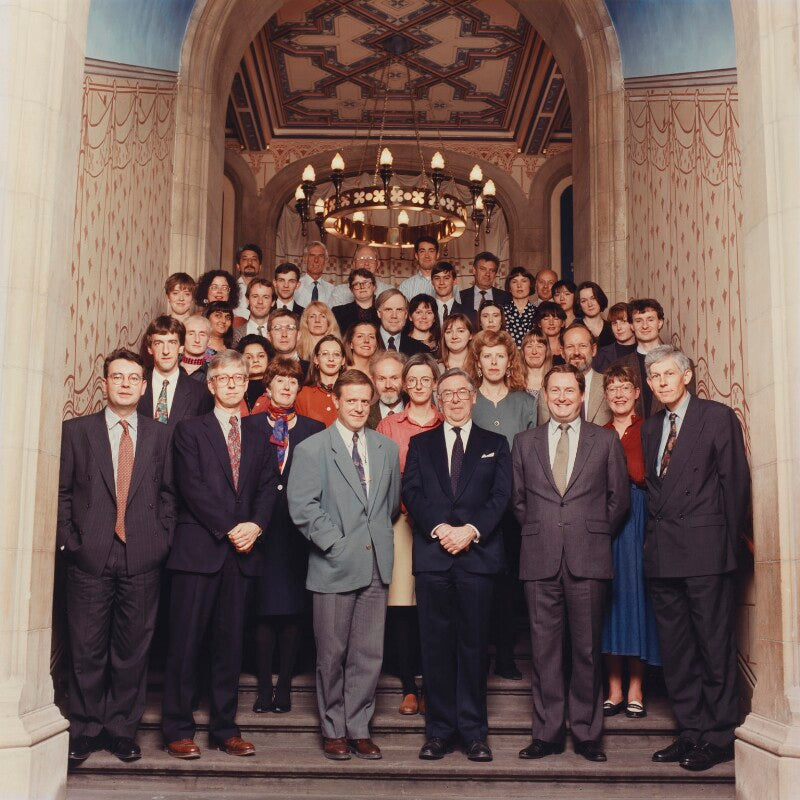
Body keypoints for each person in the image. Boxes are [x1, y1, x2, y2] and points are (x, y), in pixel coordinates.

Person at [161, 350, 280, 760]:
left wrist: (257, 526)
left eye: (238, 378)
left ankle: (225, 729)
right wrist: (232, 526)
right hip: (198, 552)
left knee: (230, 647)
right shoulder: (189, 431)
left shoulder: (261, 433)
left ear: (247, 384)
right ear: (210, 385)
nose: (231, 384)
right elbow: (191, 488)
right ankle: (178, 728)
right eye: (223, 378)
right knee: (185, 643)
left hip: (242, 555)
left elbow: (269, 488)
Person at [59, 349, 175, 765]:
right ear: (104, 383)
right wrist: (73, 543)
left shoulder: (161, 435)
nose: (125, 383)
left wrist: (160, 540)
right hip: (89, 557)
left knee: (132, 650)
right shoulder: (76, 431)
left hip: (142, 557)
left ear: (144, 387)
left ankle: (121, 729)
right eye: (117, 376)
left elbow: (168, 494)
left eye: (133, 378)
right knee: (86, 649)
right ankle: (86, 728)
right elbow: (62, 494)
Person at [511, 364, 629, 763]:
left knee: (586, 650)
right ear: (544, 395)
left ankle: (587, 735)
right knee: (543, 653)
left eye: (569, 390)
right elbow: (518, 501)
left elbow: (619, 501)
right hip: (539, 558)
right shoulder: (525, 443)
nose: (561, 397)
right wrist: (546, 531)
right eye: (554, 390)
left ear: (582, 396)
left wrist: (589, 535)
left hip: (588, 559)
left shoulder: (606, 441)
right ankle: (546, 734)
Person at [642, 345, 749, 772]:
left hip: (707, 552)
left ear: (686, 376)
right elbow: (653, 493)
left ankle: (720, 735)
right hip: (664, 555)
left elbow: (735, 485)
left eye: (669, 374)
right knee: (677, 650)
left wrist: (729, 548)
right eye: (654, 377)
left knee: (713, 646)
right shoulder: (651, 429)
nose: (662, 382)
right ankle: (690, 731)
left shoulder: (716, 416)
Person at [288, 370, 401, 761]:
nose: (357, 407)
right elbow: (302, 507)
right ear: (336, 401)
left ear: (371, 403)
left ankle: (358, 727)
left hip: (375, 566)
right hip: (333, 564)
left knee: (369, 654)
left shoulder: (386, 448)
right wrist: (335, 544)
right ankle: (333, 729)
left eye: (363, 401)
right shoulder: (312, 448)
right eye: (350, 400)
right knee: (332, 654)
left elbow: (387, 508)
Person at [403, 368, 512, 763]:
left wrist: (470, 530)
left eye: (461, 392)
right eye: (446, 393)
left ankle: (473, 733)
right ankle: (438, 732)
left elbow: (502, 496)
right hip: (433, 559)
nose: (454, 399)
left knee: (474, 646)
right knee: (434, 648)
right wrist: (440, 529)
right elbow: (411, 491)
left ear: (473, 397)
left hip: (477, 558)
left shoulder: (495, 444)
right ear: (437, 398)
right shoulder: (420, 443)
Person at [250, 358, 325, 714]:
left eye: (292, 383)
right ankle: (264, 685)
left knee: (293, 611)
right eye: (279, 381)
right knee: (264, 610)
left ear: (299, 390)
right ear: (268, 387)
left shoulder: (314, 428)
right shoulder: (250, 427)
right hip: (260, 529)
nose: (285, 387)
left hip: (298, 531)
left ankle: (284, 688)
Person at [376, 353, 443, 715]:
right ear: (403, 385)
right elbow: (384, 477)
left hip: (439, 525)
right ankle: (407, 686)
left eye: (424, 379)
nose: (418, 386)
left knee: (434, 604)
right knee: (401, 605)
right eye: (411, 380)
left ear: (435, 384)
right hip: (400, 521)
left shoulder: (447, 422)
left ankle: (433, 683)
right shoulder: (389, 425)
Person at [470, 330, 537, 680]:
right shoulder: (467, 399)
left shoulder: (525, 402)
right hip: (474, 508)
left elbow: (533, 455)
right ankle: (478, 653)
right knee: (478, 583)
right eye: (487, 356)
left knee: (509, 583)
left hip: (515, 506)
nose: (493, 362)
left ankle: (507, 655)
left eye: (499, 356)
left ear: (509, 361)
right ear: (477, 362)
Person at [600, 364, 661, 720]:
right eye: (612, 388)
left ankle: (637, 687)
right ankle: (613, 688)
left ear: (638, 393)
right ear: (605, 397)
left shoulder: (651, 430)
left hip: (640, 518)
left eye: (625, 386)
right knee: (609, 602)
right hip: (605, 523)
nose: (619, 393)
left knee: (638, 602)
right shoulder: (597, 433)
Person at [612, 299, 696, 418]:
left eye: (650, 320)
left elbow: (690, 408)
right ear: (631, 326)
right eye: (638, 321)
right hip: (633, 433)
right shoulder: (619, 365)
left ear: (660, 323)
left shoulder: (682, 362)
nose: (645, 326)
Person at [138, 316, 213, 427]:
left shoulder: (201, 392)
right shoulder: (136, 387)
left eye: (172, 342)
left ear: (181, 347)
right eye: (158, 343)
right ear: (149, 348)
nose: (166, 351)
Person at [536, 323, 611, 426]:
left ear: (593, 350)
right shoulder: (547, 391)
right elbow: (544, 436)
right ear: (562, 352)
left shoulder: (609, 385)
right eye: (570, 347)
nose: (576, 352)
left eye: (582, 346)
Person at [292, 334, 346, 427]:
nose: (331, 359)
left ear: (343, 361)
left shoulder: (352, 392)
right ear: (316, 359)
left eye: (336, 354)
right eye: (325, 354)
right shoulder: (303, 394)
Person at [329, 245, 393, 307]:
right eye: (362, 259)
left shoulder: (389, 291)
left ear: (378, 264)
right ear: (354, 264)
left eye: (371, 259)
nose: (366, 263)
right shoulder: (339, 292)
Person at [460, 251, 511, 329]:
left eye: (492, 270)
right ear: (474, 270)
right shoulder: (460, 297)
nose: (487, 274)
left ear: (495, 273)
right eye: (483, 269)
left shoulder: (506, 297)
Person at [375, 288, 430, 356]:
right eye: (388, 309)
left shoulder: (421, 350)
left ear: (406, 314)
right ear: (379, 313)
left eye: (399, 310)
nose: (394, 316)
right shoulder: (366, 344)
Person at [332, 267, 380, 333]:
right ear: (351, 289)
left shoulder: (384, 312)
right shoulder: (338, 313)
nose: (362, 287)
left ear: (374, 287)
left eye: (366, 283)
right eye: (356, 284)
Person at [366, 349, 406, 429]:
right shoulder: (364, 415)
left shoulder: (417, 413)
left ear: (404, 380)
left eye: (394, 378)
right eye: (381, 379)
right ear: (373, 381)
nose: (388, 385)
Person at [593, 301, 636, 373]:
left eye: (623, 322)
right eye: (614, 323)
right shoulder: (600, 354)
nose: (618, 327)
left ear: (633, 324)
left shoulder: (643, 351)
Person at [236, 333, 274, 412]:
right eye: (249, 357)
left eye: (261, 356)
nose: (255, 360)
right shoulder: (234, 388)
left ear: (269, 359)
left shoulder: (277, 387)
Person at [266, 308, 309, 375]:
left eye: (290, 328)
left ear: (298, 335)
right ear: (269, 336)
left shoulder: (311, 370)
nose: (284, 334)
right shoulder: (263, 369)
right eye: (277, 328)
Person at [232, 278, 274, 346]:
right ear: (247, 300)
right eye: (255, 296)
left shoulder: (280, 333)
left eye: (265, 297)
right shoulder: (235, 335)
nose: (260, 301)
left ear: (273, 302)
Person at [502, 266, 537, 347]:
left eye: (524, 281)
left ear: (530, 285)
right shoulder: (501, 312)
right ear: (509, 287)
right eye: (514, 282)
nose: (519, 285)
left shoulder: (538, 312)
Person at [294, 240, 334, 307]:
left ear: (326, 260)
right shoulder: (295, 287)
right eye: (312, 256)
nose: (316, 260)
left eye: (320, 256)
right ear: (305, 259)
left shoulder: (331, 291)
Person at [575, 281, 614, 347]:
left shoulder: (612, 327)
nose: (590, 304)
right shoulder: (575, 329)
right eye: (584, 301)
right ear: (579, 305)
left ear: (600, 299)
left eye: (593, 298)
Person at [520, 328, 552, 401]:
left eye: (539, 346)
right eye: (529, 346)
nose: (534, 352)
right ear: (523, 351)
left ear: (546, 350)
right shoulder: (513, 381)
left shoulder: (555, 380)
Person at [232, 243, 263, 318]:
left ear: (260, 267)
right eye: (245, 259)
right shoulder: (231, 288)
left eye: (254, 259)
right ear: (238, 266)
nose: (249, 262)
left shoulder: (267, 290)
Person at [180, 314, 214, 381]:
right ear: (182, 337)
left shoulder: (213, 375)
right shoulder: (170, 368)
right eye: (191, 334)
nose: (197, 340)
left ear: (209, 340)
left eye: (202, 335)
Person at [430, 261, 464, 326]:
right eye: (437, 278)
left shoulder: (465, 311)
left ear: (455, 281)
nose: (441, 282)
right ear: (432, 282)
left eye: (446, 278)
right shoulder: (427, 312)